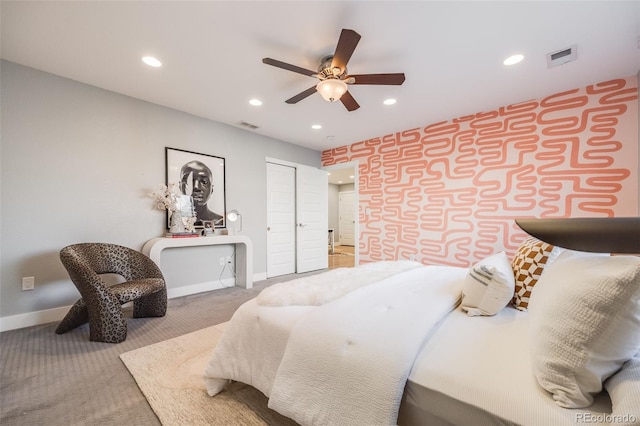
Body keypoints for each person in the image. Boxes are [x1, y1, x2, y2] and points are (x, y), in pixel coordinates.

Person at [178, 160, 223, 226]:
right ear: (180, 186)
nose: (196, 187)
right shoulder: (174, 221)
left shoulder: (220, 222)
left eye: (204, 182)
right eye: (189, 181)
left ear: (212, 189)